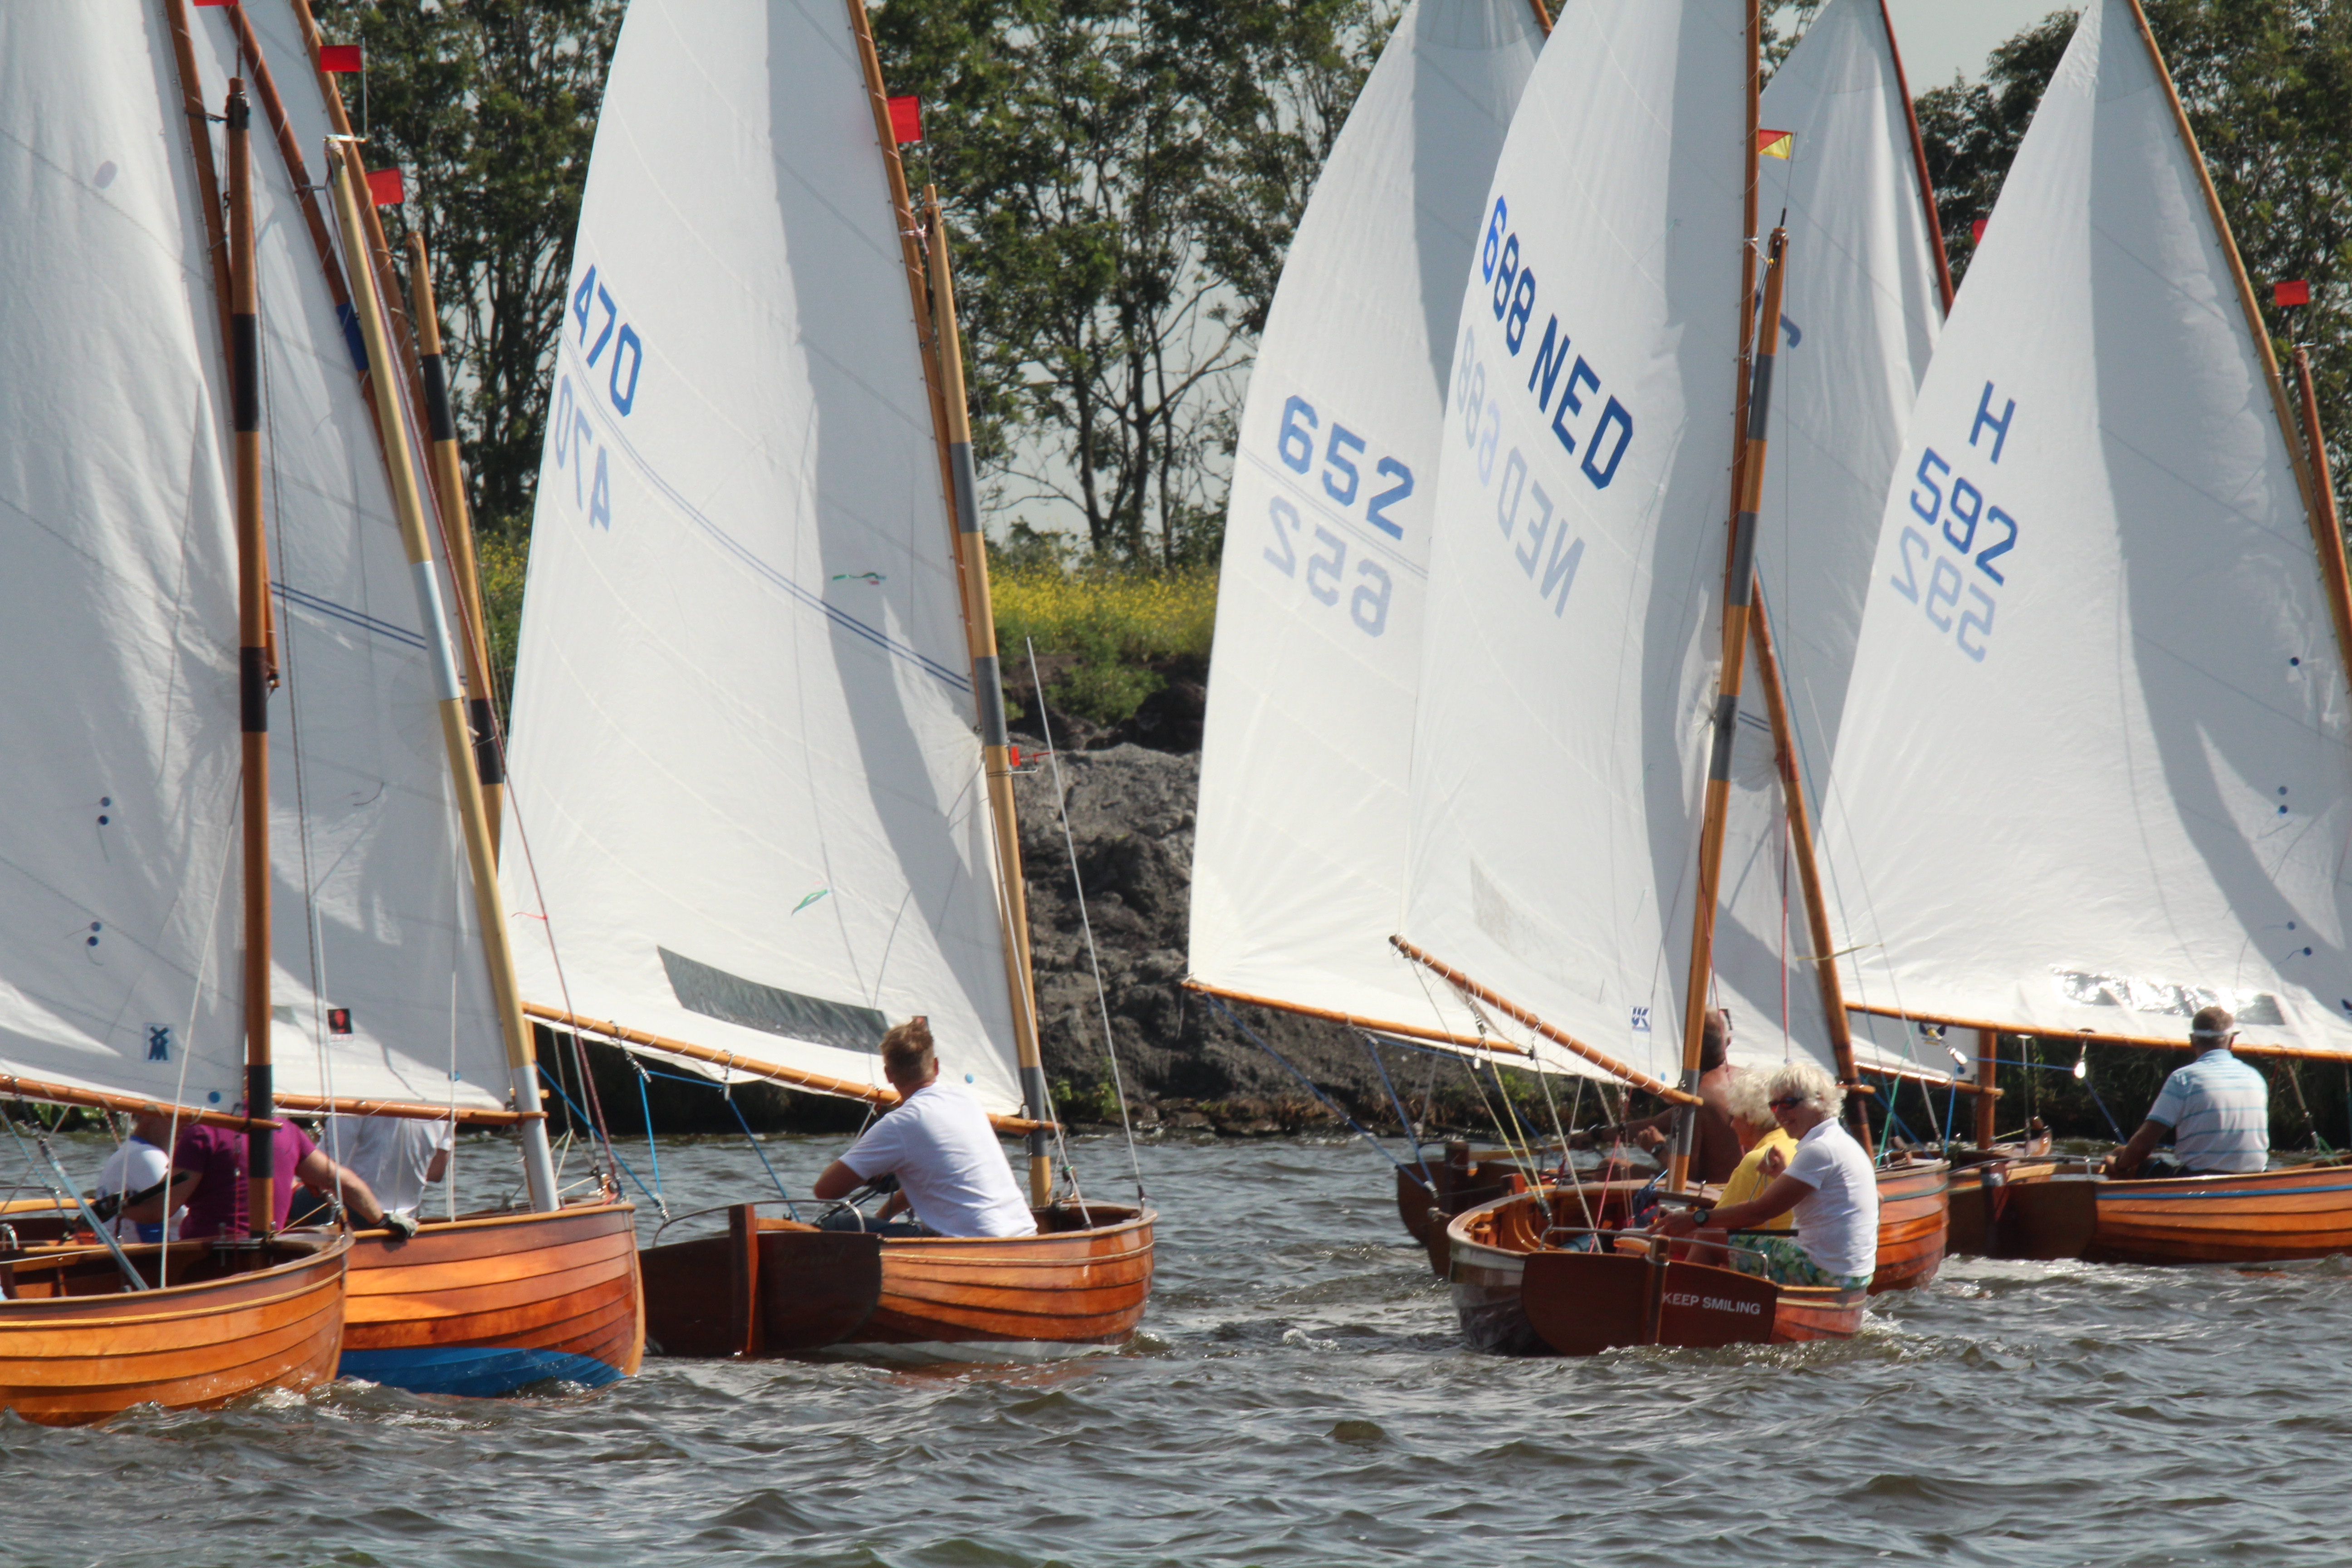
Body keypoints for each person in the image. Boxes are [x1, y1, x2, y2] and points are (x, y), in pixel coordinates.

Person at [1656, 1059, 1877, 1289]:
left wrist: (1695, 1219)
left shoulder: (1820, 1150)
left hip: (1823, 1270)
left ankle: (1685, 1310)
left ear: (1820, 1099)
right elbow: (1860, 1200)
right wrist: (1783, 1174)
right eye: (1774, 1106)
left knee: (1708, 1239)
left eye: (1789, 1103)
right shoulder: (1844, 1143)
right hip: (1855, 1275)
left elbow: (1758, 1213)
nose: (1780, 1113)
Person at [811, 1017, 1037, 1239]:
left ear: (888, 1074)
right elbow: (936, 1176)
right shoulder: (967, 1100)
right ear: (936, 1066)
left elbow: (825, 1191)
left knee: (836, 1223)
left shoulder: (899, 1125)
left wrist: (870, 1175)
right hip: (1023, 1235)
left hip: (969, 1246)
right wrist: (883, 1214)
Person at [123, 1107, 414, 1240]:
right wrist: (383, 1220)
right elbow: (346, 1182)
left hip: (206, 1261)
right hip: (271, 1260)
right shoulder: (287, 1131)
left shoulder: (203, 1133)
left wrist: (122, 1209)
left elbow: (160, 1208)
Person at [1575, 1009, 1742, 1183]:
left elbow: (1686, 1177)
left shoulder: (1696, 1098)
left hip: (1710, 1197)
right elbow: (1655, 1124)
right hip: (1743, 1191)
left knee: (1609, 1168)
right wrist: (1595, 1136)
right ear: (1728, 1042)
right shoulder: (1745, 1080)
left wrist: (1657, 1149)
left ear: (1685, 1046)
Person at [2105, 1005, 2269, 1179]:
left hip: (2199, 1181)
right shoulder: (2256, 1077)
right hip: (2254, 1178)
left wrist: (2119, 1165)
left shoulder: (2184, 1079)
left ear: (2192, 1040)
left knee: (2120, 1154)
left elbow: (2143, 1146)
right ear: (2232, 1041)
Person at [318, 1112, 453, 1221]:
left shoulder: (354, 1098)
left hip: (354, 1217)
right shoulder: (445, 1101)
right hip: (407, 1220)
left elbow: (323, 1170)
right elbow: (436, 1172)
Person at [1712, 1069, 1795, 1234]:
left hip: (1773, 1254)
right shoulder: (1800, 1146)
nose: (1732, 1125)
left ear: (1750, 1117)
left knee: (1702, 1241)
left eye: (1734, 1117)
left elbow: (1716, 1228)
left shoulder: (1758, 1160)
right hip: (1803, 1251)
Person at [92, 1112, 183, 1244]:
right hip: (142, 1259)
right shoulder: (147, 1156)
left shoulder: (130, 1151)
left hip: (128, 1255)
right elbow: (181, 1213)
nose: (189, 1124)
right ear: (148, 1114)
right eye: (181, 1116)